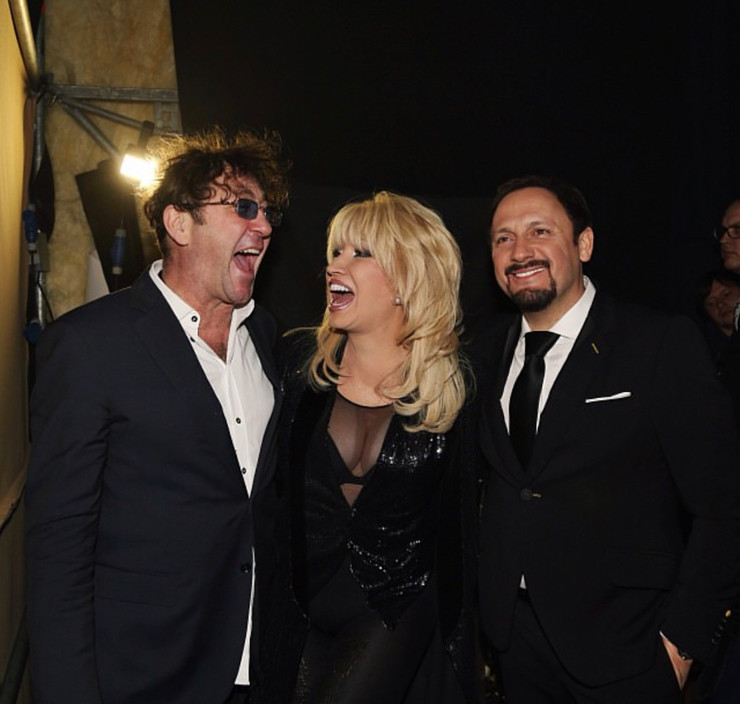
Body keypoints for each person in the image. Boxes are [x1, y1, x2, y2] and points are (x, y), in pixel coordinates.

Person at [25, 127, 290, 704]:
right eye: (244, 208)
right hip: (142, 676)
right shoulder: (91, 346)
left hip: (257, 670)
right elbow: (58, 551)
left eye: (268, 212)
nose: (265, 227)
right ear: (179, 224)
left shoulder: (265, 338)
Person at [475, 175, 740, 704]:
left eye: (539, 231)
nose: (519, 251)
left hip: (629, 646)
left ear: (584, 244)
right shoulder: (481, 352)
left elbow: (724, 506)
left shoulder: (658, 343)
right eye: (504, 238)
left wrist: (683, 642)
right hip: (512, 643)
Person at [261, 192, 481, 704]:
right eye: (336, 252)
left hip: (395, 605)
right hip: (299, 598)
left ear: (406, 279)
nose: (335, 265)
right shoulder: (296, 363)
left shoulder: (454, 388)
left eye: (360, 253)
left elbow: (464, 524)